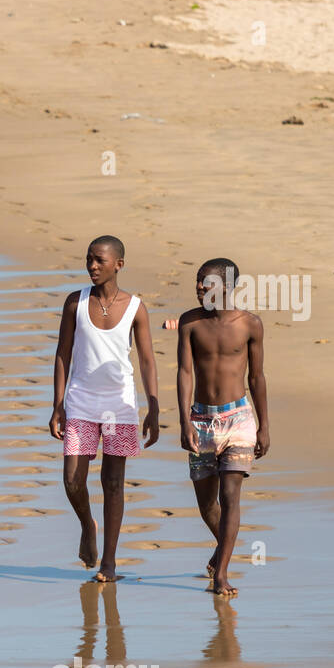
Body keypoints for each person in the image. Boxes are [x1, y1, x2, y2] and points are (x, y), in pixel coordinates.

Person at [49, 235, 159, 581]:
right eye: (89, 259)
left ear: (118, 265)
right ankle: (87, 525)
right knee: (72, 481)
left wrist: (153, 407)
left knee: (113, 483)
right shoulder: (75, 303)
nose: (92, 266)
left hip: (119, 404)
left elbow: (146, 360)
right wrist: (58, 404)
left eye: (99, 260)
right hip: (80, 400)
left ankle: (108, 563)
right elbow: (63, 353)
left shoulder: (136, 307)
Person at [176, 258, 271, 597]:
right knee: (207, 505)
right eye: (198, 281)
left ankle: (222, 574)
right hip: (201, 419)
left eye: (207, 282)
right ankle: (223, 548)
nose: (200, 287)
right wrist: (184, 419)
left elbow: (256, 377)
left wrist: (263, 426)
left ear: (228, 287)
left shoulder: (250, 325)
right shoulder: (190, 322)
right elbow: (185, 373)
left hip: (239, 420)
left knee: (231, 497)